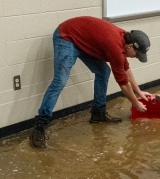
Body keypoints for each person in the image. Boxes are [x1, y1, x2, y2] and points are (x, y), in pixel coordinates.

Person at [30, 16, 153, 149]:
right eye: (136, 54)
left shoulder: (124, 40)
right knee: (60, 80)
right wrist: (135, 102)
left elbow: (125, 68)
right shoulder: (116, 46)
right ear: (130, 46)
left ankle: (98, 114)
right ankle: (40, 125)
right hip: (66, 36)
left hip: (81, 39)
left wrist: (138, 91)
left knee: (103, 71)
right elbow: (123, 83)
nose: (135, 57)